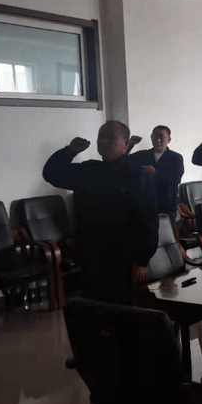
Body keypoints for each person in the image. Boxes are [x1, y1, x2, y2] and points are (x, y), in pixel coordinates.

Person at [42, 121, 159, 305]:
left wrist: (142, 261)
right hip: (92, 256)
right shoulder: (90, 170)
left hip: (124, 258)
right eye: (100, 137)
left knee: (125, 310)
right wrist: (69, 151)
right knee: (96, 310)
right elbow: (51, 173)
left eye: (110, 137)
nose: (103, 141)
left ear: (125, 143)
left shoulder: (137, 174)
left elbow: (149, 221)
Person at [127, 125, 185, 226]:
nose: (158, 140)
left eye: (161, 137)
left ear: (169, 139)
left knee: (167, 232)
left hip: (167, 204)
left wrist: (155, 173)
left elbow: (176, 178)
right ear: (151, 138)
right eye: (155, 137)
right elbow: (123, 161)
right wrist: (130, 145)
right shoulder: (143, 155)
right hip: (145, 204)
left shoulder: (176, 157)